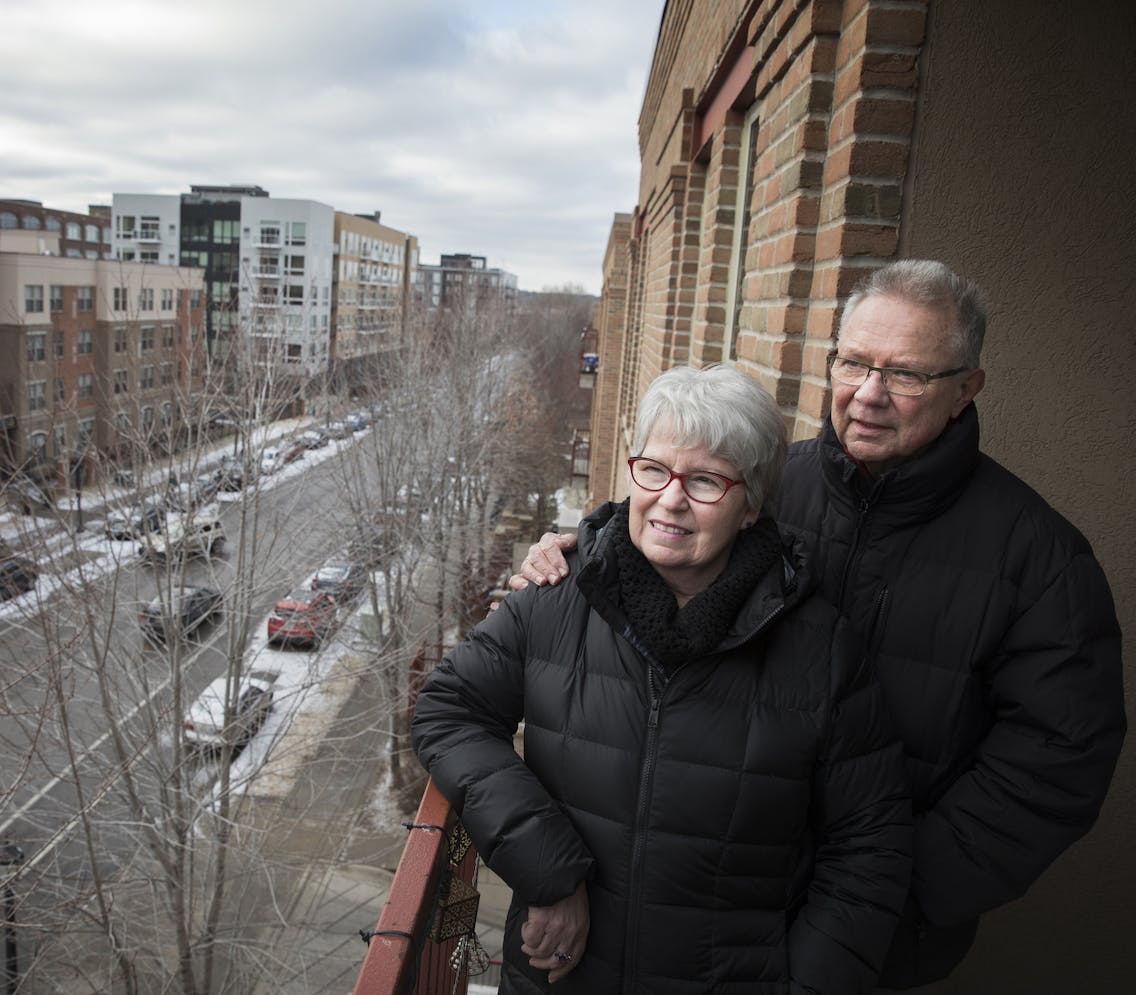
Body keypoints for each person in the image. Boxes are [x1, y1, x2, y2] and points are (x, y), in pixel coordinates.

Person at [512, 260, 1126, 988]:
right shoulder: (766, 487)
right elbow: (655, 538)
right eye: (854, 362)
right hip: (709, 920)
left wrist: (887, 895)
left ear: (967, 388)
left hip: (878, 940)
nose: (869, 394)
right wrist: (576, 550)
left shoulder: (1039, 557)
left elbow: (1058, 764)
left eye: (905, 375)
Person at [414, 365, 912, 993]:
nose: (670, 499)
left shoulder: (821, 650)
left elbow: (870, 845)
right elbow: (447, 711)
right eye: (653, 469)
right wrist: (550, 870)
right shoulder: (556, 598)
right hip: (558, 976)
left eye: (705, 480)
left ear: (752, 503)